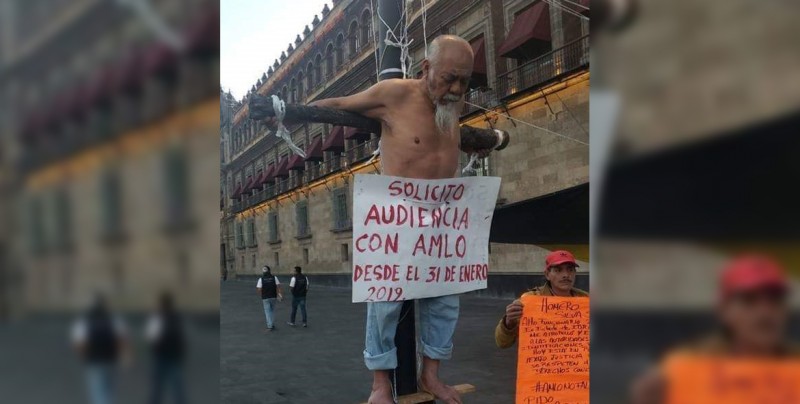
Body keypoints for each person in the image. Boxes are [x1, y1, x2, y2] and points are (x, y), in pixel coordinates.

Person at [308, 35, 494, 404]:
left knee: (445, 301)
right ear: (426, 68)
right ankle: (380, 383)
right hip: (395, 219)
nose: (456, 88)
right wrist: (289, 112)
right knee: (385, 301)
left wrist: (478, 141)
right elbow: (339, 105)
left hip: (441, 222)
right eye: (449, 78)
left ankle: (431, 375)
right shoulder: (394, 94)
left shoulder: (451, 105)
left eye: (464, 80)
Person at [630, 254, 798, 404]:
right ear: (724, 311)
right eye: (749, 301)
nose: (765, 313)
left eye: (775, 301)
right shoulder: (685, 368)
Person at [495, 250, 589, 348]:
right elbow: (502, 343)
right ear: (547, 274)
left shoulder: (586, 300)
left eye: (570, 269)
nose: (566, 275)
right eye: (558, 270)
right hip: (542, 360)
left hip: (576, 359)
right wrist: (509, 322)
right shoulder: (529, 301)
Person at [71, 293, 131, 404]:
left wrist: (83, 356)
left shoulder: (84, 321)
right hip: (111, 359)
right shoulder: (114, 319)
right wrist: (124, 355)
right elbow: (121, 340)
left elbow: (80, 343)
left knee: (97, 392)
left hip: (93, 360)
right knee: (109, 390)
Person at [146, 292, 187, 404]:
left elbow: (151, 337)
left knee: (156, 388)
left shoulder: (157, 317)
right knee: (177, 388)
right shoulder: (177, 317)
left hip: (161, 356)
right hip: (174, 356)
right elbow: (182, 337)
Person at [256, 265, 283, 332]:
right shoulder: (274, 278)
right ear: (269, 271)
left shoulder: (261, 279)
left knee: (267, 312)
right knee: (272, 311)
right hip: (273, 296)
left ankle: (269, 326)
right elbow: (278, 286)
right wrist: (279, 294)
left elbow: (259, 289)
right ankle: (272, 324)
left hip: (265, 297)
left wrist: (261, 294)